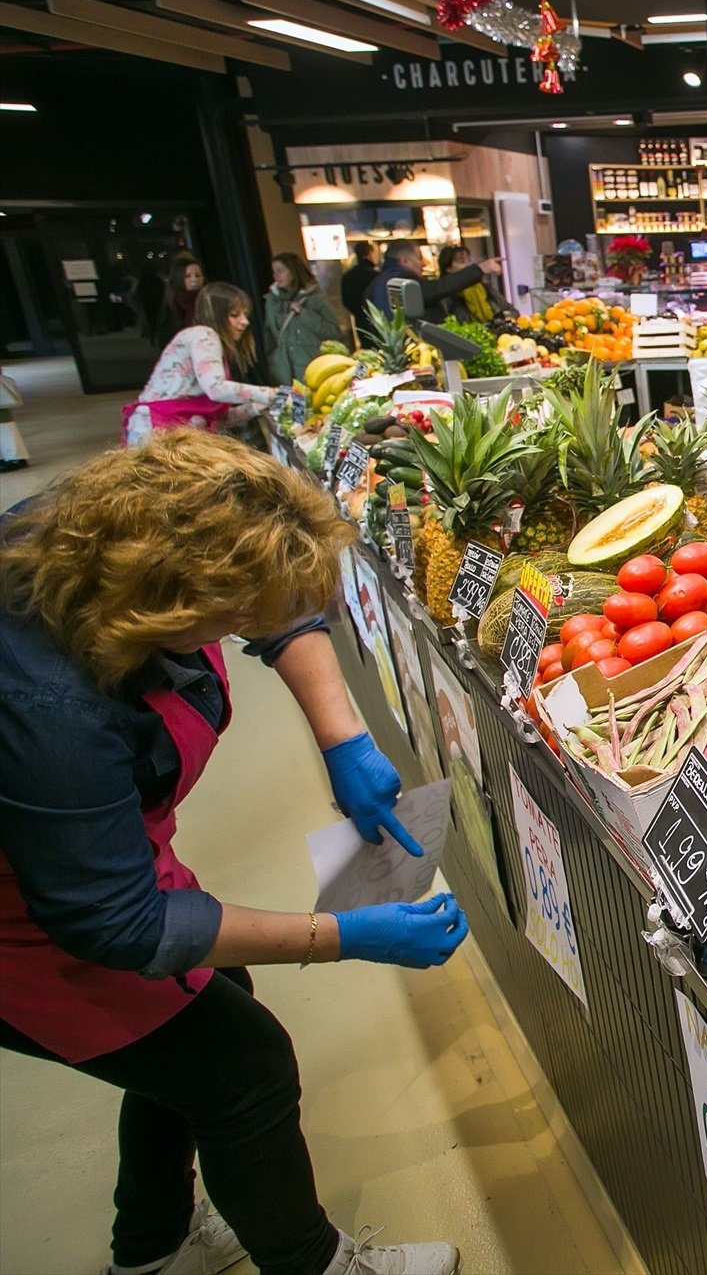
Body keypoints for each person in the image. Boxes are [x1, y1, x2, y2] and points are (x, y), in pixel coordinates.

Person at [0, 428, 467, 1275]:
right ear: (173, 608)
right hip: (29, 926)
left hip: (107, 863)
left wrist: (342, 736)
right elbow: (120, 925)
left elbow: (276, 594)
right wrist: (343, 936)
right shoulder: (48, 709)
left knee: (205, 1008)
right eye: (231, 616)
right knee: (240, 1067)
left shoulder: (108, 534)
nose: (248, 627)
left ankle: (152, 1250)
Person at [124, 283, 278, 446]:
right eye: (235, 314)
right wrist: (272, 394)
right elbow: (216, 389)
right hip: (158, 433)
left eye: (245, 314)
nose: (245, 321)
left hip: (160, 430)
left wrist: (257, 406)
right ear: (215, 315)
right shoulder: (205, 335)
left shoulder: (199, 338)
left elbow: (215, 418)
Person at [364, 241, 499, 333]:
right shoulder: (404, 282)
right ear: (404, 261)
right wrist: (480, 269)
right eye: (419, 258)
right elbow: (437, 289)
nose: (422, 264)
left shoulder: (373, 285)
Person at [263, 253, 343, 389]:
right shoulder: (272, 302)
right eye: (273, 272)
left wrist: (304, 314)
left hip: (313, 370)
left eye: (280, 271)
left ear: (293, 271)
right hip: (283, 373)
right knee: (287, 409)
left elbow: (333, 331)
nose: (276, 276)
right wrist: (272, 364)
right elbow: (269, 336)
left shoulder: (315, 299)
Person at [435, 246, 504, 325]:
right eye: (461, 261)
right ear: (448, 268)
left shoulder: (483, 287)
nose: (468, 265)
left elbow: (508, 309)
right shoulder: (446, 296)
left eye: (469, 260)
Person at [158, 253, 205, 343]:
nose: (194, 280)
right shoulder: (173, 304)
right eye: (188, 276)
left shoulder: (209, 301)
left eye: (198, 275)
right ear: (178, 278)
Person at [339, 242, 377, 344]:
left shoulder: (347, 276)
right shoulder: (375, 276)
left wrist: (358, 312)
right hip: (378, 321)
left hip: (360, 321)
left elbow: (345, 301)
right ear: (370, 253)